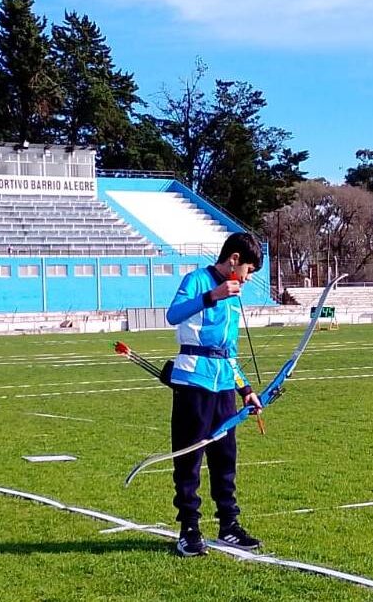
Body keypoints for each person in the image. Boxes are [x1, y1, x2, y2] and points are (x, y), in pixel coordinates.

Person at [164, 232, 264, 557]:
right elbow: (173, 315)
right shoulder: (197, 280)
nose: (248, 278)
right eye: (248, 270)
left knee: (225, 459)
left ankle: (228, 526)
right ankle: (189, 530)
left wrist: (245, 389)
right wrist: (212, 295)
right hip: (194, 383)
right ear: (234, 260)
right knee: (189, 459)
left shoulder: (234, 296)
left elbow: (229, 352)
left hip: (223, 388)